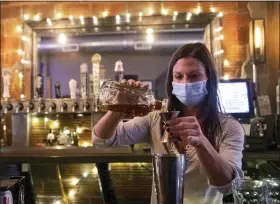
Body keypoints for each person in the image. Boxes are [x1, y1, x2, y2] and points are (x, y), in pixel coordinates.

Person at [92, 43, 244, 204]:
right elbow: (101, 140)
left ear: (209, 79)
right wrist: (118, 108)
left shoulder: (229, 127)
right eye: (179, 76)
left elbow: (228, 185)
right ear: (171, 80)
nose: (185, 83)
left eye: (194, 76)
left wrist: (201, 142)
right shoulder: (156, 118)